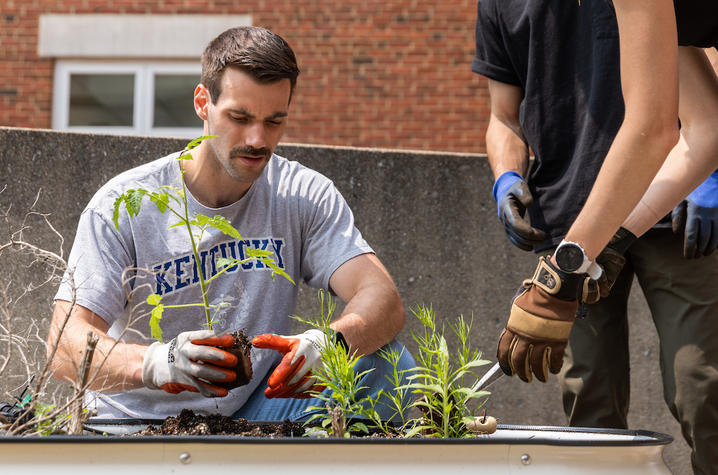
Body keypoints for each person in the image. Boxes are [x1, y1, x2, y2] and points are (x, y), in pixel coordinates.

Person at [48, 26, 414, 422]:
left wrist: (328, 344)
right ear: (202, 102)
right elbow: (64, 347)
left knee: (390, 364)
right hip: (132, 424)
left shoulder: (301, 194)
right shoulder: (124, 203)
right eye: (239, 117)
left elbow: (383, 299)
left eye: (274, 121)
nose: (258, 139)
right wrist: (159, 362)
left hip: (252, 414)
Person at [472, 0, 718, 472]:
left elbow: (651, 128)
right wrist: (595, 248)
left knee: (702, 383)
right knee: (590, 400)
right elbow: (706, 126)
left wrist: (561, 277)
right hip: (577, 212)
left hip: (671, 226)